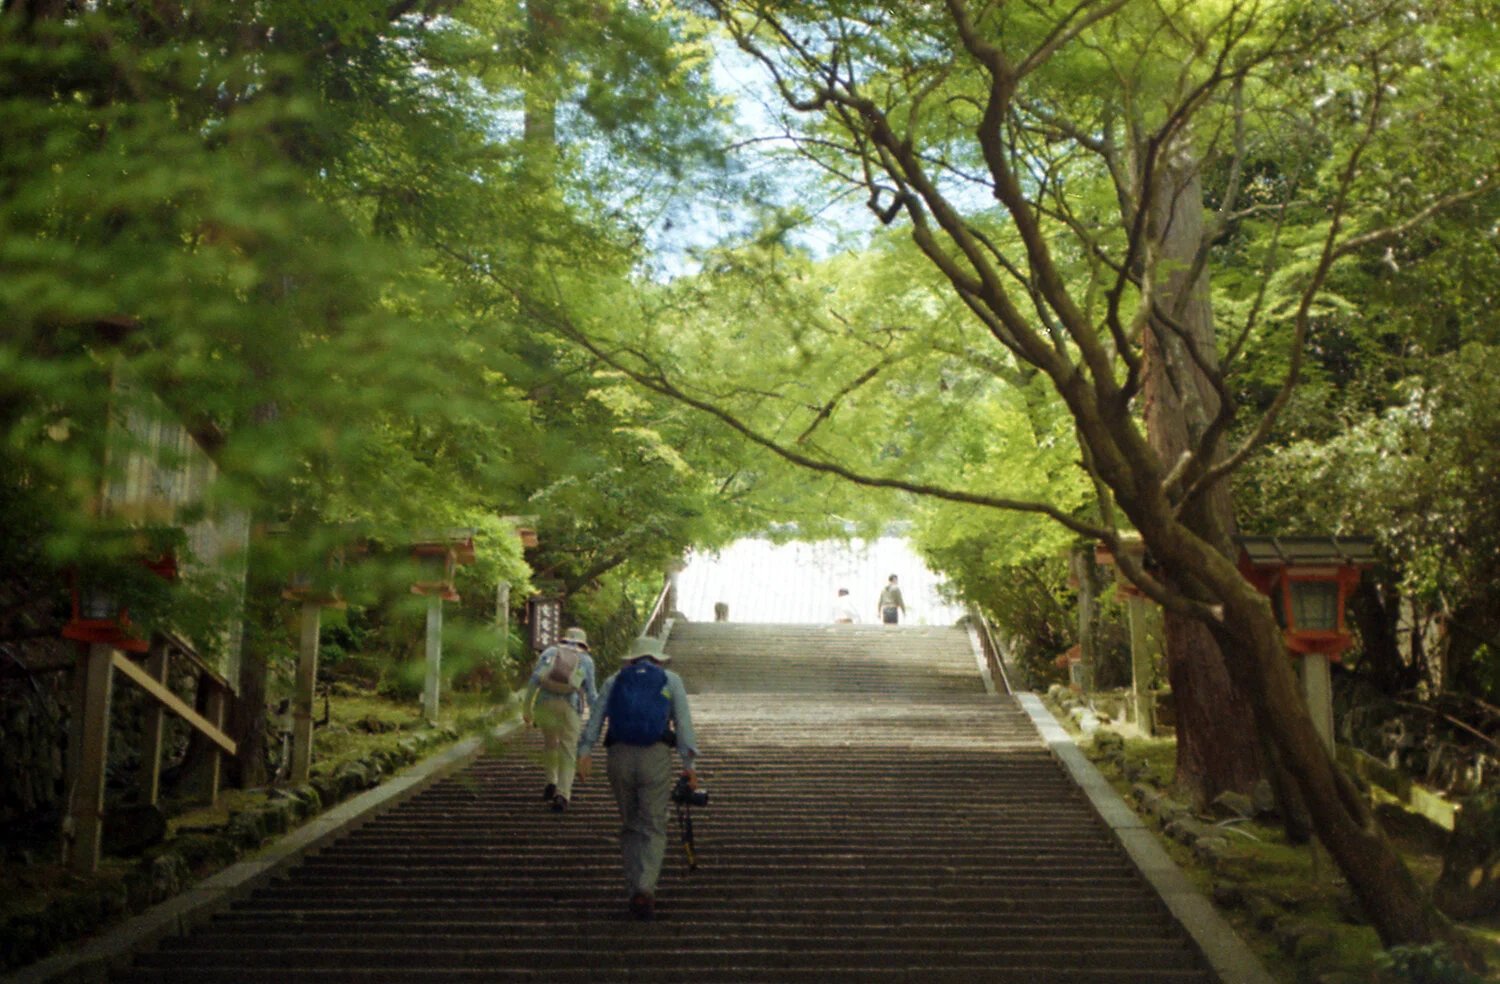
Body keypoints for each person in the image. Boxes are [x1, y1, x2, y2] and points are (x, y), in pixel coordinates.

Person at [576, 635, 698, 921]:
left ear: (631, 658)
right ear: (658, 659)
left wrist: (584, 752)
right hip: (655, 756)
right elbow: (683, 724)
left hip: (618, 756)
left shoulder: (614, 680)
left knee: (631, 824)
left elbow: (596, 717)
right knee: (653, 825)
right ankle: (645, 888)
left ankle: (634, 888)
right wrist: (689, 765)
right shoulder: (671, 680)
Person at [521, 626, 597, 812]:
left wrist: (527, 707)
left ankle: (550, 782)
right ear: (583, 643)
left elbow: (535, 679)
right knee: (568, 749)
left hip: (545, 703)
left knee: (550, 744)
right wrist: (597, 716)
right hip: (570, 706)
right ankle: (562, 794)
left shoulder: (550, 652)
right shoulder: (586, 660)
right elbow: (591, 693)